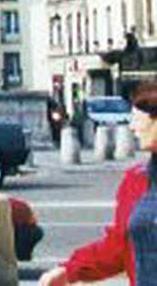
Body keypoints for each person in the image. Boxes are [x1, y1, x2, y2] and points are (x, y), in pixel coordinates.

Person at [40, 81, 157, 285]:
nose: (132, 127)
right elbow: (118, 247)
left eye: (138, 119)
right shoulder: (136, 180)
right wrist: (69, 271)